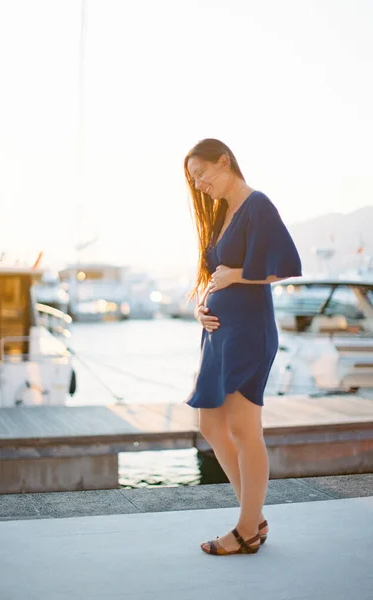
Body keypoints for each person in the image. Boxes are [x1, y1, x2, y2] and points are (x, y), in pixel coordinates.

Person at [184, 138, 302, 556]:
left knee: (243, 429)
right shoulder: (220, 213)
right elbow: (215, 272)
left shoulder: (257, 204)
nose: (199, 185)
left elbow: (283, 266)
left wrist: (234, 278)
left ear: (225, 161)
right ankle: (254, 518)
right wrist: (203, 305)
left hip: (249, 333)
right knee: (211, 427)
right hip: (218, 334)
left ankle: (247, 529)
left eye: (202, 173)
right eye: (193, 179)